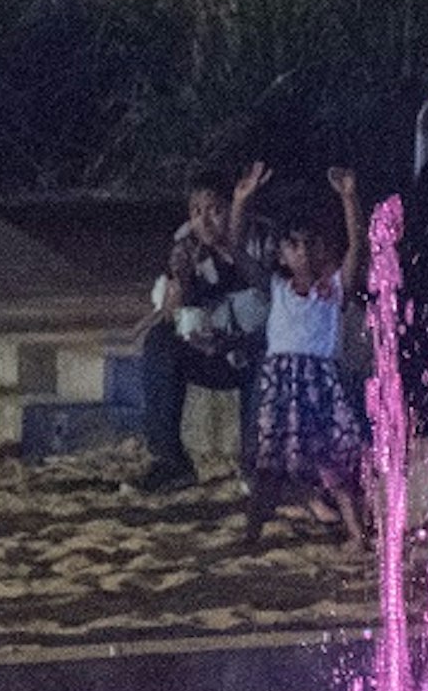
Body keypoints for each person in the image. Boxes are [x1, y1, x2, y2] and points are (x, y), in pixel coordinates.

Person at [240, 168, 372, 548]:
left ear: (324, 248)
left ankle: (356, 534)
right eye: (294, 245)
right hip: (280, 386)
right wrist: (241, 201)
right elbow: (236, 248)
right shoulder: (277, 289)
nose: (303, 252)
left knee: (335, 464)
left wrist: (349, 198)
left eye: (311, 244)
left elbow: (357, 246)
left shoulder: (333, 291)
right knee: (270, 467)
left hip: (321, 386)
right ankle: (251, 534)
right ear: (280, 252)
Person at [132, 161, 269, 493]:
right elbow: (174, 314)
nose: (204, 221)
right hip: (210, 350)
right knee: (160, 342)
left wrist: (234, 248)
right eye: (196, 211)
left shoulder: (263, 238)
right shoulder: (188, 244)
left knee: (267, 350)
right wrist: (179, 284)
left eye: (215, 210)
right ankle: (170, 461)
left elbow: (270, 295)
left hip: (254, 349)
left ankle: (254, 465)